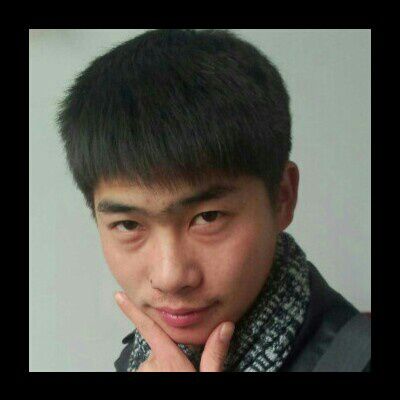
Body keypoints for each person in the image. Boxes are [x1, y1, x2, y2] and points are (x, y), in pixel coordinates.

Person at [56, 29, 370, 372]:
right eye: (129, 224)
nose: (170, 277)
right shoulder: (143, 358)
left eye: (208, 217)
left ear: (282, 197)